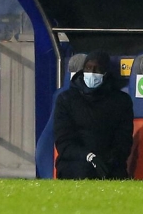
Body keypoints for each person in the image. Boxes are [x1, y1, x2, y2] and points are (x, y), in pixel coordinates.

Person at [53, 50, 134, 180]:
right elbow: (64, 142)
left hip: (109, 162)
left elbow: (123, 140)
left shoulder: (121, 101)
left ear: (106, 73)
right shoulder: (66, 99)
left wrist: (110, 159)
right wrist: (89, 157)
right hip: (74, 162)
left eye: (97, 70)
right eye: (88, 68)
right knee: (84, 171)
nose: (91, 73)